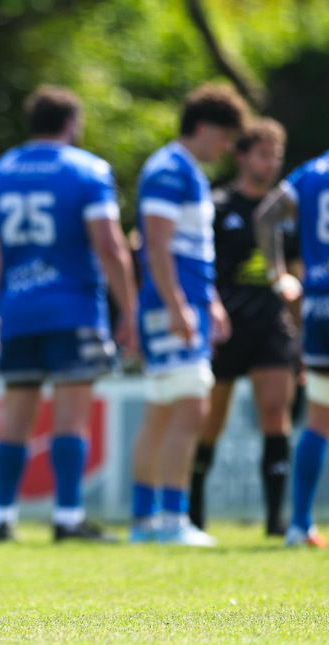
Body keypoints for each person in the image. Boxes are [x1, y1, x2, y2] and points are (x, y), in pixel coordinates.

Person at [0, 85, 138, 542]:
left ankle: (2, 516)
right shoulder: (87, 170)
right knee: (71, 416)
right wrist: (130, 308)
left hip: (17, 311)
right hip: (73, 309)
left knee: (15, 416)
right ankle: (67, 516)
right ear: (71, 123)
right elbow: (109, 243)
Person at [128, 82, 248, 546]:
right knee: (190, 408)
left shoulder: (182, 169)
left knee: (161, 409)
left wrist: (210, 301)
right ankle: (172, 520)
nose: (225, 148)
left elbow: (189, 248)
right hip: (172, 304)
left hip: (183, 301)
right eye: (222, 137)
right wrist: (180, 306)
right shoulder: (170, 169)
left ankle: (144, 522)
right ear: (200, 127)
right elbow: (155, 245)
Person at [190, 118, 299, 536]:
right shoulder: (217, 206)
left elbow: (293, 271)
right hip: (226, 328)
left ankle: (276, 520)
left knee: (276, 413)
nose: (270, 163)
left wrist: (300, 329)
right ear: (242, 156)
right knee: (210, 422)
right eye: (262, 154)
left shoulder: (285, 212)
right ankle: (194, 514)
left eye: (276, 156)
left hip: (271, 328)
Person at [254, 146, 329, 548]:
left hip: (318, 305)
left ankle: (300, 524)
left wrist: (276, 274)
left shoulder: (311, 172)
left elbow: (265, 215)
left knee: (319, 417)